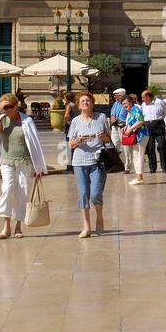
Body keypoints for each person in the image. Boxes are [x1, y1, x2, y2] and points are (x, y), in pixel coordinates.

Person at [0, 92, 46, 239]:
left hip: (24, 161)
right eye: (5, 107)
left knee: (23, 191)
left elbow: (35, 145)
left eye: (10, 106)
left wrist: (38, 167)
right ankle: (6, 226)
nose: (8, 109)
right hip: (7, 161)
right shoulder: (2, 119)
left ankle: (18, 226)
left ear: (16, 105)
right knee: (7, 189)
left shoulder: (26, 121)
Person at [66, 91, 111, 239]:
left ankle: (99, 217)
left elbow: (108, 139)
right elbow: (70, 144)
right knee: (83, 194)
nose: (86, 103)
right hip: (79, 161)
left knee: (96, 193)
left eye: (88, 101)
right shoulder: (75, 121)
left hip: (97, 161)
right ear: (79, 105)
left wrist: (102, 136)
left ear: (92, 103)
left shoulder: (101, 118)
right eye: (83, 101)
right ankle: (86, 226)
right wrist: (77, 141)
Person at [140, 88, 166, 174]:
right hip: (148, 125)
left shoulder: (159, 102)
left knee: (161, 146)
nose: (142, 100)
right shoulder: (143, 105)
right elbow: (142, 116)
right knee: (150, 147)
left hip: (158, 125)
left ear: (148, 97)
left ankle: (164, 167)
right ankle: (152, 167)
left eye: (143, 98)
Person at [119, 93, 148, 185]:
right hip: (137, 135)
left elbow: (140, 121)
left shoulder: (135, 110)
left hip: (141, 136)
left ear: (131, 102)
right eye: (123, 104)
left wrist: (130, 129)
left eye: (126, 103)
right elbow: (132, 122)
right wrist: (127, 127)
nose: (124, 106)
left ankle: (139, 178)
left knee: (139, 155)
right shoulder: (131, 111)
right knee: (136, 155)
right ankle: (138, 176)